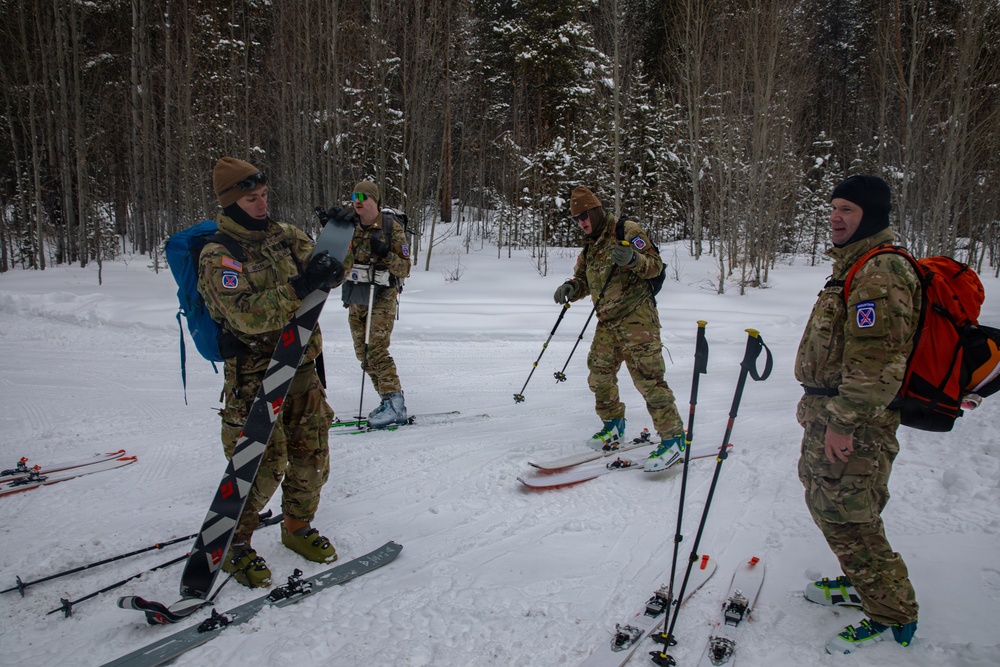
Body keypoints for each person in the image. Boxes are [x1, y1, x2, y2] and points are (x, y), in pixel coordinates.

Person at [197, 157, 344, 588]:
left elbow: (332, 272)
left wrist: (341, 238)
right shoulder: (219, 254)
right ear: (230, 201)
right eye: (250, 198)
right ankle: (234, 545)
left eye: (264, 196)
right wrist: (301, 285)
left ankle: (296, 526)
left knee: (311, 454)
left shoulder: (285, 236)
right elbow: (246, 316)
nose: (261, 205)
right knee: (259, 465)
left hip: (301, 367)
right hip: (255, 378)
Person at [795, 175, 920, 653]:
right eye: (833, 207)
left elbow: (878, 364)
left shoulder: (879, 273)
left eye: (846, 209)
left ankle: (892, 614)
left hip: (854, 420)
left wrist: (842, 422)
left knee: (852, 517)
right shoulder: (856, 267)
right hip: (831, 412)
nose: (835, 216)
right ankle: (865, 581)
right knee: (834, 506)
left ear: (871, 214)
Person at [552, 186, 685, 472]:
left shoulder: (627, 230)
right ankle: (613, 425)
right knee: (599, 375)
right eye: (576, 219)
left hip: (637, 319)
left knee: (649, 380)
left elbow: (656, 267)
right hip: (608, 322)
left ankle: (673, 439)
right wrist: (571, 288)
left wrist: (634, 260)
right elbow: (583, 280)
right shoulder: (590, 246)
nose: (581, 223)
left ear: (596, 211)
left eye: (584, 216)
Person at [339, 180, 411, 427]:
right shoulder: (349, 225)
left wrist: (386, 254)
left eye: (363, 196)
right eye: (354, 195)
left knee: (377, 349)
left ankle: (396, 404)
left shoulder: (392, 228)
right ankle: (385, 400)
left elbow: (405, 267)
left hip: (382, 296)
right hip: (356, 296)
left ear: (375, 200)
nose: (357, 200)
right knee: (364, 355)